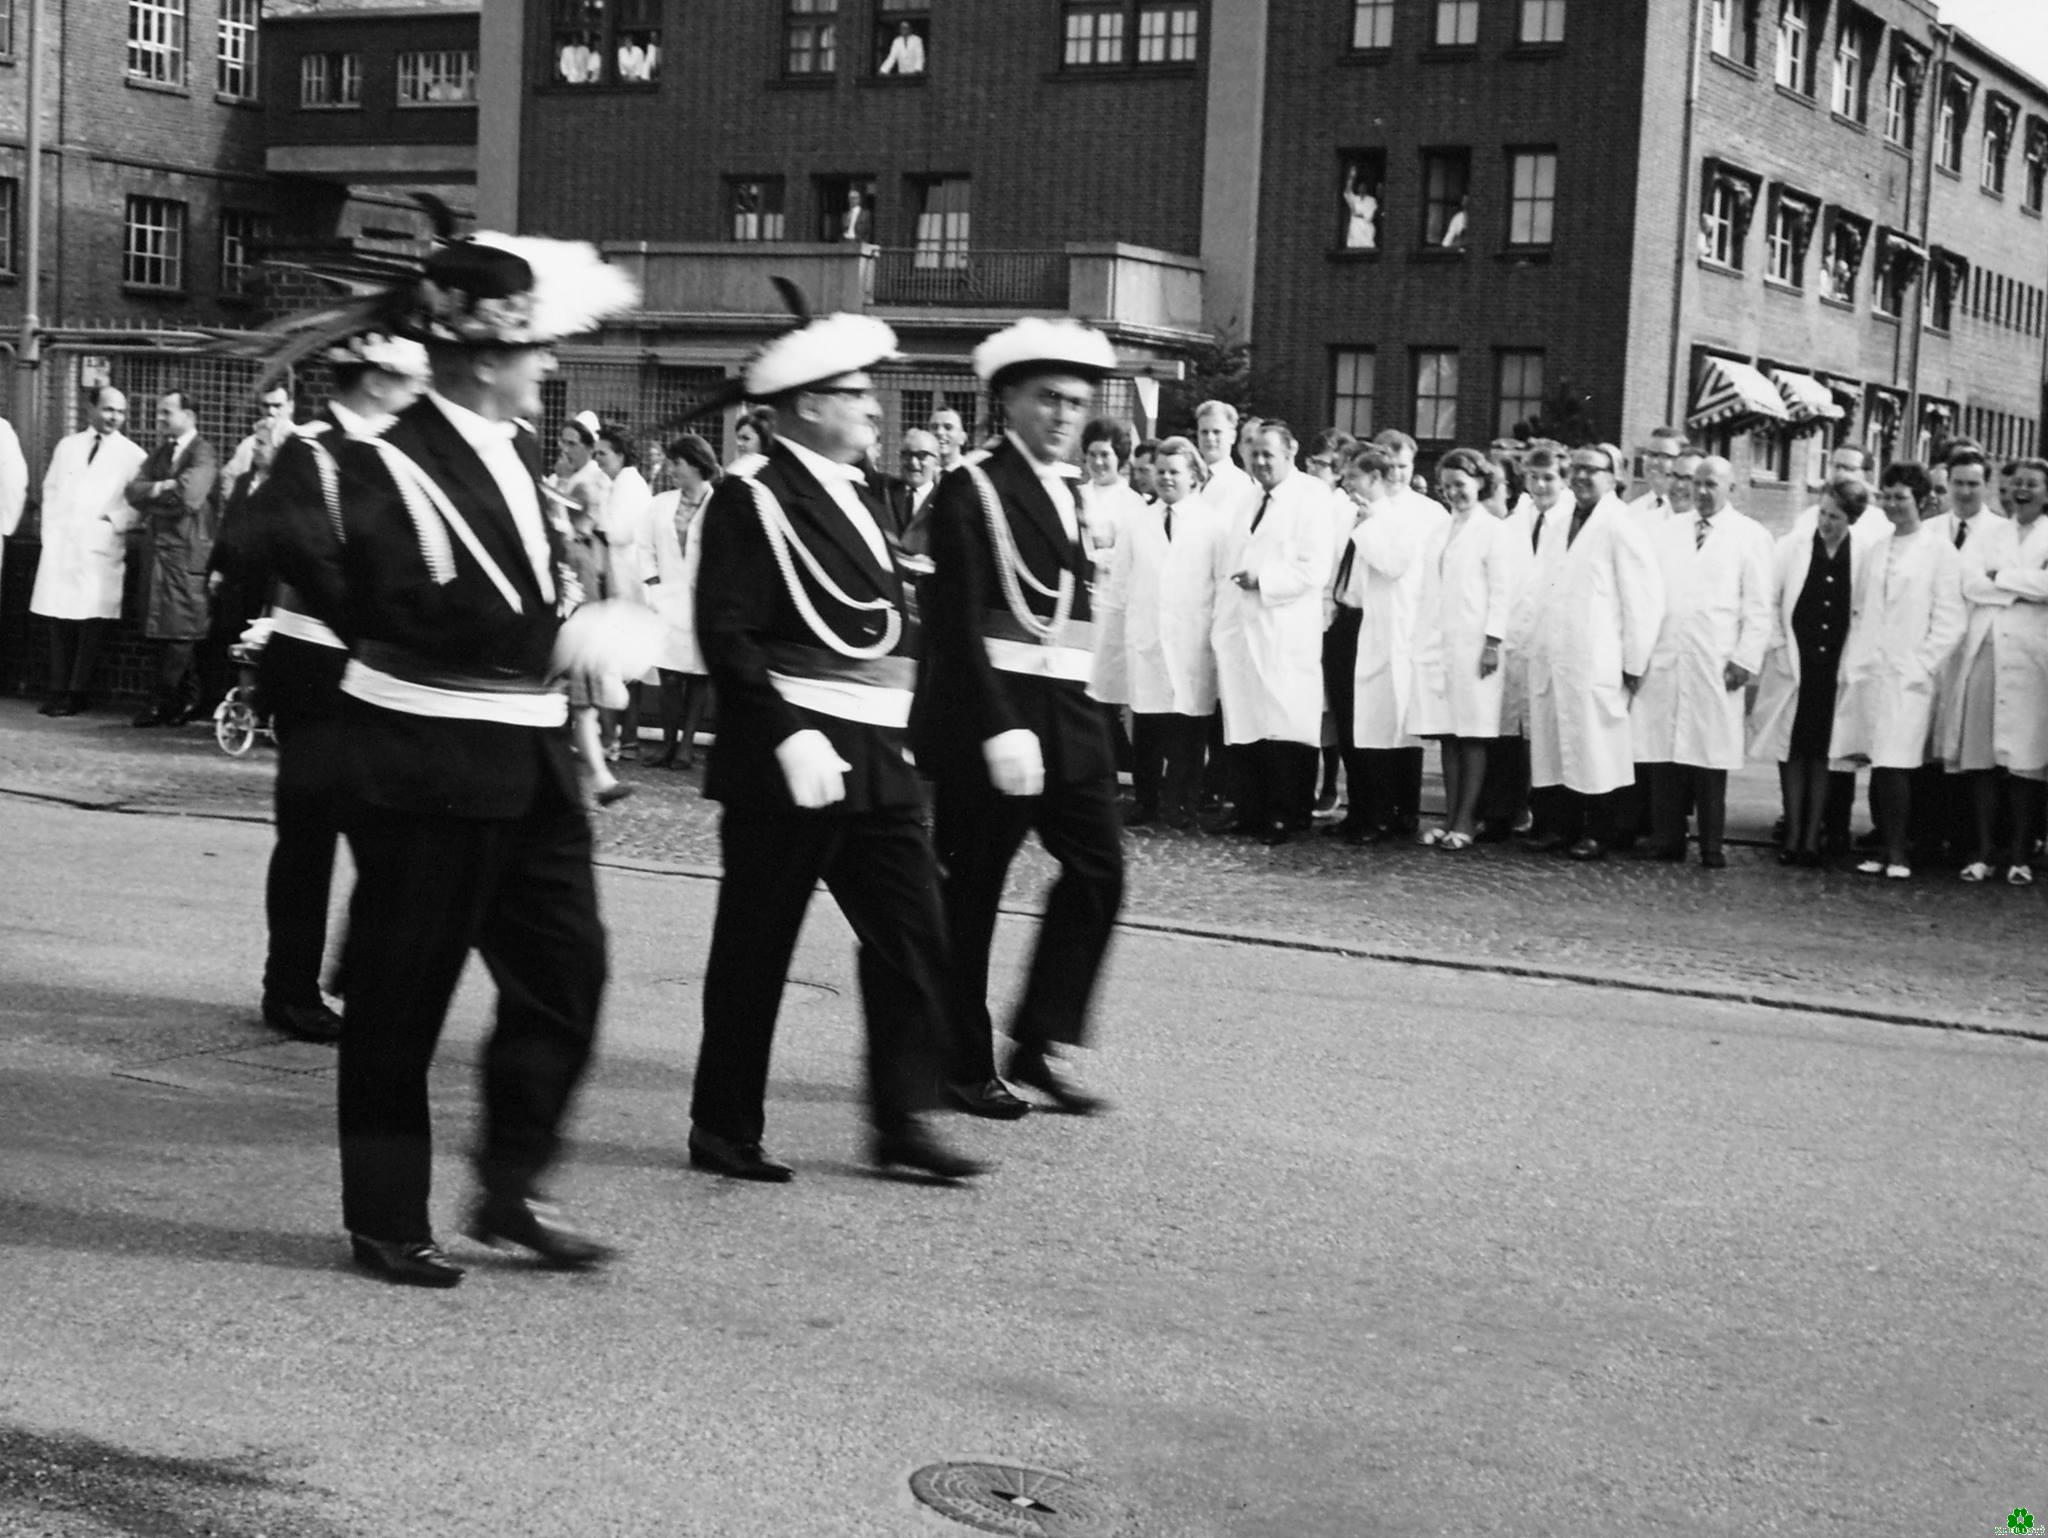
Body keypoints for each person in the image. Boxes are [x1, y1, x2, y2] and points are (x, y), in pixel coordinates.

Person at [267, 230, 642, 1286]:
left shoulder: (512, 454)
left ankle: (513, 1184)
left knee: (568, 976)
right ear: (484, 353)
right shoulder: (384, 459)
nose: (548, 368)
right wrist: (554, 640)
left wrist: (567, 629)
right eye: (535, 350)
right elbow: (387, 596)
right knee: (399, 1000)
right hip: (423, 763)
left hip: (528, 766)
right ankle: (386, 1215)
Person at [691, 311, 981, 1183]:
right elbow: (727, 634)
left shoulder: (872, 496)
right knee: (756, 947)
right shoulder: (754, 497)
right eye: (855, 395)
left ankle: (901, 1119)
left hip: (879, 759)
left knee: (914, 935)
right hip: (792, 758)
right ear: (804, 406)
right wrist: (784, 734)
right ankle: (724, 1125)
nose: (874, 410)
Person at [913, 316, 1125, 1119]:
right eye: (1048, 399)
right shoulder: (972, 488)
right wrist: (998, 725)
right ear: (1007, 401)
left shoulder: (1070, 492)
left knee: (1101, 872)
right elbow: (956, 624)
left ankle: (1036, 1040)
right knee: (971, 895)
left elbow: (1069, 626)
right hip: (990, 723)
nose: (1065, 416)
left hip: (1068, 720)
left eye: (1076, 402)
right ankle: (958, 1063)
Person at [248, 332, 432, 1044]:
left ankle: (366, 973)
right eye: (409, 378)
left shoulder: (401, 451)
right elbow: (304, 555)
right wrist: (382, 623)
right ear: (376, 380)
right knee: (310, 839)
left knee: (395, 833)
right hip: (317, 668)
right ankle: (289, 986)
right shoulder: (310, 450)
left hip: (381, 670)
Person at [1521, 443, 1664, 860]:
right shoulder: (1559, 521)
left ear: (1613, 477)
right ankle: (1558, 828)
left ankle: (1601, 831)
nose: (1582, 477)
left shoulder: (1622, 526)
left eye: (1593, 470)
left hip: (1595, 656)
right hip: (1554, 652)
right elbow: (1540, 585)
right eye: (1577, 469)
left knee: (1595, 747)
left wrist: (1634, 661)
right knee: (1555, 743)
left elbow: (1643, 600)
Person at [1630, 455, 1774, 868]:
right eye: (1698, 483)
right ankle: (1667, 839)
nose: (1703, 491)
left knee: (1711, 758)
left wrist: (1745, 660)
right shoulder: (1668, 533)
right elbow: (1650, 597)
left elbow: (1759, 606)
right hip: (1669, 656)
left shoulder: (1750, 536)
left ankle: (1712, 844)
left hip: (1717, 660)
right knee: (1664, 754)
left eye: (1713, 484)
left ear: (1732, 488)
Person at [1831, 462, 1968, 880]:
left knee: (1897, 762)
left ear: (1921, 501)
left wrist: (1921, 664)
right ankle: (1884, 848)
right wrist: (1854, 663)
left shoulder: (1939, 551)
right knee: (1875, 757)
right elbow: (1860, 611)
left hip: (1910, 673)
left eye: (1900, 497)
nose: (1891, 505)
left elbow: (1950, 619)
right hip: (1871, 668)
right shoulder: (1876, 548)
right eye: (1886, 496)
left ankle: (1900, 852)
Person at [1211, 419, 1337, 844]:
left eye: (1269, 453)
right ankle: (1251, 809)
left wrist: (1263, 578)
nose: (1261, 461)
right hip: (1242, 628)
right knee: (1247, 722)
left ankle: (1287, 814)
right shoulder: (1246, 499)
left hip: (1284, 627)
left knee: (1285, 723)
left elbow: (1314, 568)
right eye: (1255, 453)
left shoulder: (1312, 497)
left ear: (1291, 451)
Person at [1936, 455, 2048, 883]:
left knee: (2025, 761)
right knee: (1980, 758)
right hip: (1986, 651)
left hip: (2032, 658)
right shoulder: (1991, 532)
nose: (2023, 490)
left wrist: (2000, 577)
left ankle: (2019, 853)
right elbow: (1969, 582)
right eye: (2017, 482)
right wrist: (2023, 586)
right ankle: (1981, 850)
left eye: (2033, 484)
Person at [1749, 477, 1867, 866]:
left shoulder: (1863, 554)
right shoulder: (1793, 547)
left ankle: (1812, 837)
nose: (1826, 523)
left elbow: (1863, 613)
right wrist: (1780, 648)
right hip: (1796, 664)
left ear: (1851, 518)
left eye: (1835, 516)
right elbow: (1770, 601)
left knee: (1822, 754)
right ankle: (1794, 834)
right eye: (1822, 513)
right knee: (1792, 750)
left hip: (1834, 667)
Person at [1110, 435, 1221, 828]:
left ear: (1193, 476)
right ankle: (1147, 801)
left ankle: (1183, 804)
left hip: (1193, 638)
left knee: (1189, 728)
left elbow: (1220, 582)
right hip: (1148, 637)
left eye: (1175, 472)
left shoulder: (1212, 522)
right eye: (1160, 472)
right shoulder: (1139, 521)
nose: (1166, 479)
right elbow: (1120, 582)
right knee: (1148, 727)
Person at [1406, 448, 1514, 849]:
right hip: (1441, 644)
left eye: (1462, 485)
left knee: (1473, 734)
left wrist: (1493, 641)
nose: (1454, 493)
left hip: (1477, 646)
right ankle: (1449, 818)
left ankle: (1467, 821)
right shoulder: (1440, 529)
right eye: (1448, 486)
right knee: (1448, 734)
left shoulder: (1493, 530)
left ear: (1480, 483)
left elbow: (1502, 591)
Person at [29, 387, 147, 716]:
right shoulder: (68, 447)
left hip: (99, 548)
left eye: (120, 412)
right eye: (108, 409)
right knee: (58, 619)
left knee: (89, 624)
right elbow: (50, 489)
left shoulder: (133, 454)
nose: (114, 418)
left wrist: (112, 523)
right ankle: (57, 689)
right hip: (63, 545)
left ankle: (77, 693)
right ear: (91, 408)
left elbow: (138, 505)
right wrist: (50, 532)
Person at [124, 391, 219, 728]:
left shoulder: (203, 452)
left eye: (166, 412)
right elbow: (132, 490)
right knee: (160, 630)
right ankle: (173, 701)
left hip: (186, 553)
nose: (160, 418)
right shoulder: (163, 451)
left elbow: (189, 498)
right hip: (161, 554)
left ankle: (176, 700)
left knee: (181, 632)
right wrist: (162, 488)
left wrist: (154, 495)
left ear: (189, 415)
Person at [647, 433, 719, 770]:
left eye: (677, 463)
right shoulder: (661, 503)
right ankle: (667, 743)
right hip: (668, 600)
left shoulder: (719, 506)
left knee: (698, 676)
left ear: (695, 463)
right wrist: (653, 584)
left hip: (703, 601)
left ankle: (687, 747)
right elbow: (644, 547)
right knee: (669, 676)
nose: (671, 469)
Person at [593, 422, 656, 762]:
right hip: (623, 582)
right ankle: (623, 739)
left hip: (627, 584)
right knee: (625, 664)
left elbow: (617, 532)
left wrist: (596, 511)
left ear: (619, 454)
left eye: (603, 453)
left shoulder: (628, 485)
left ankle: (623, 740)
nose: (598, 459)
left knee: (623, 663)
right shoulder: (621, 483)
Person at [1626, 427, 1688, 526]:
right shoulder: (1631, 512)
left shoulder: (1689, 510)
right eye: (1650, 454)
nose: (1654, 462)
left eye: (1664, 456)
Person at [1342, 165, 1379, 250]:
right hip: (1355, 230)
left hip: (1366, 230)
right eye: (1360, 186)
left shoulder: (1371, 200)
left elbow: (1369, 216)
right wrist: (1351, 177)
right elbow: (1347, 192)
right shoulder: (1355, 199)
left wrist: (1357, 214)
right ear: (1358, 188)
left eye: (1364, 186)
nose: (1362, 188)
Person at [728, 406, 773, 474]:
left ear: (763, 441)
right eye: (738, 438)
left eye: (746, 438)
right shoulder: (737, 467)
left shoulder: (769, 472)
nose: (739, 443)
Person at [927, 405, 969, 473]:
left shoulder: (973, 475)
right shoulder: (920, 475)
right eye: (934, 427)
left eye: (948, 427)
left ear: (962, 438)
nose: (939, 432)